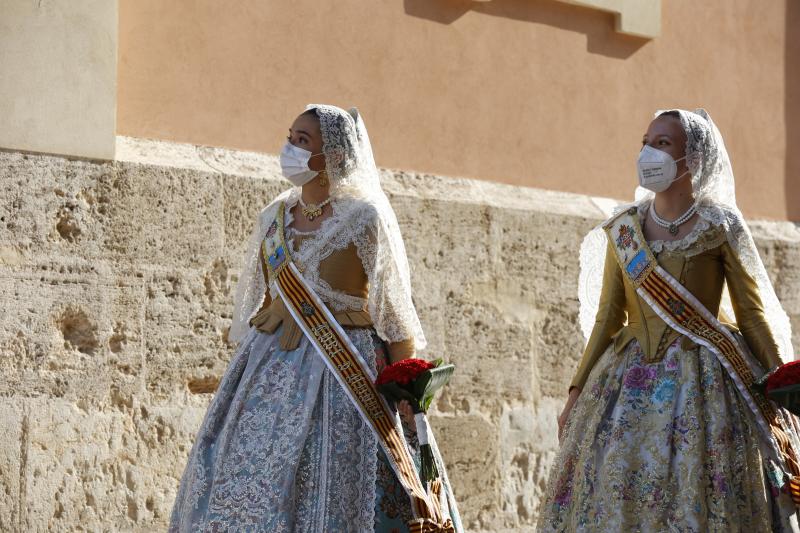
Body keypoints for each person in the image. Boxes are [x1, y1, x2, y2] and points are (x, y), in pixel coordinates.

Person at [169, 104, 462, 532]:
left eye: (302, 142)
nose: (289, 149)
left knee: (338, 480)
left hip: (345, 372)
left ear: (334, 156)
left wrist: (406, 386)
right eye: (290, 137)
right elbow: (265, 298)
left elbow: (393, 310)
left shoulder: (364, 218)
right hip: (269, 371)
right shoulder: (274, 218)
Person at [537, 108, 800, 531]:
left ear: (691, 158)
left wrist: (782, 383)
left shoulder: (719, 224)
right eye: (645, 141)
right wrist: (575, 391)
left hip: (704, 382)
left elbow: (751, 312)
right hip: (626, 384)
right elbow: (608, 317)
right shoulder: (624, 230)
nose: (648, 152)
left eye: (662, 144)